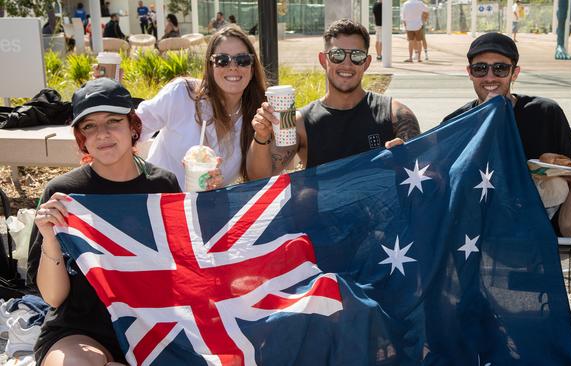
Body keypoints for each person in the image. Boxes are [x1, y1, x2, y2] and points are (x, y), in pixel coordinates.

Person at [442, 32, 571, 366]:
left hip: (550, 217)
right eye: (480, 69)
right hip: (485, 229)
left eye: (500, 68)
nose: (490, 76)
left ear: (515, 72)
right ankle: (455, 316)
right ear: (469, 74)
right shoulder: (457, 123)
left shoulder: (545, 112)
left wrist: (566, 167)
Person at [27, 78, 181, 366]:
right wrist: (49, 238)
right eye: (90, 126)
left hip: (152, 327)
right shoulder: (63, 193)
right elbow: (54, 298)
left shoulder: (163, 184)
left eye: (113, 121)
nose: (103, 134)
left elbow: (178, 269)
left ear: (133, 126)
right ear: (81, 137)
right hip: (81, 330)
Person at [246, 19, 421, 179]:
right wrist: (261, 136)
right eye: (337, 55)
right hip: (324, 213)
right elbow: (260, 176)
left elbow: (425, 172)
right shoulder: (302, 123)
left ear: (366, 63)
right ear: (324, 60)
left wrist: (408, 156)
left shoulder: (395, 115)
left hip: (380, 212)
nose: (347, 64)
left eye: (357, 56)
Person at [136, 25, 266, 189]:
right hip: (156, 203)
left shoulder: (257, 117)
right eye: (222, 60)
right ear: (210, 67)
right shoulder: (181, 95)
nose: (233, 67)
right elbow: (131, 130)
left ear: (252, 68)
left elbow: (260, 177)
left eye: (242, 60)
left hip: (208, 209)